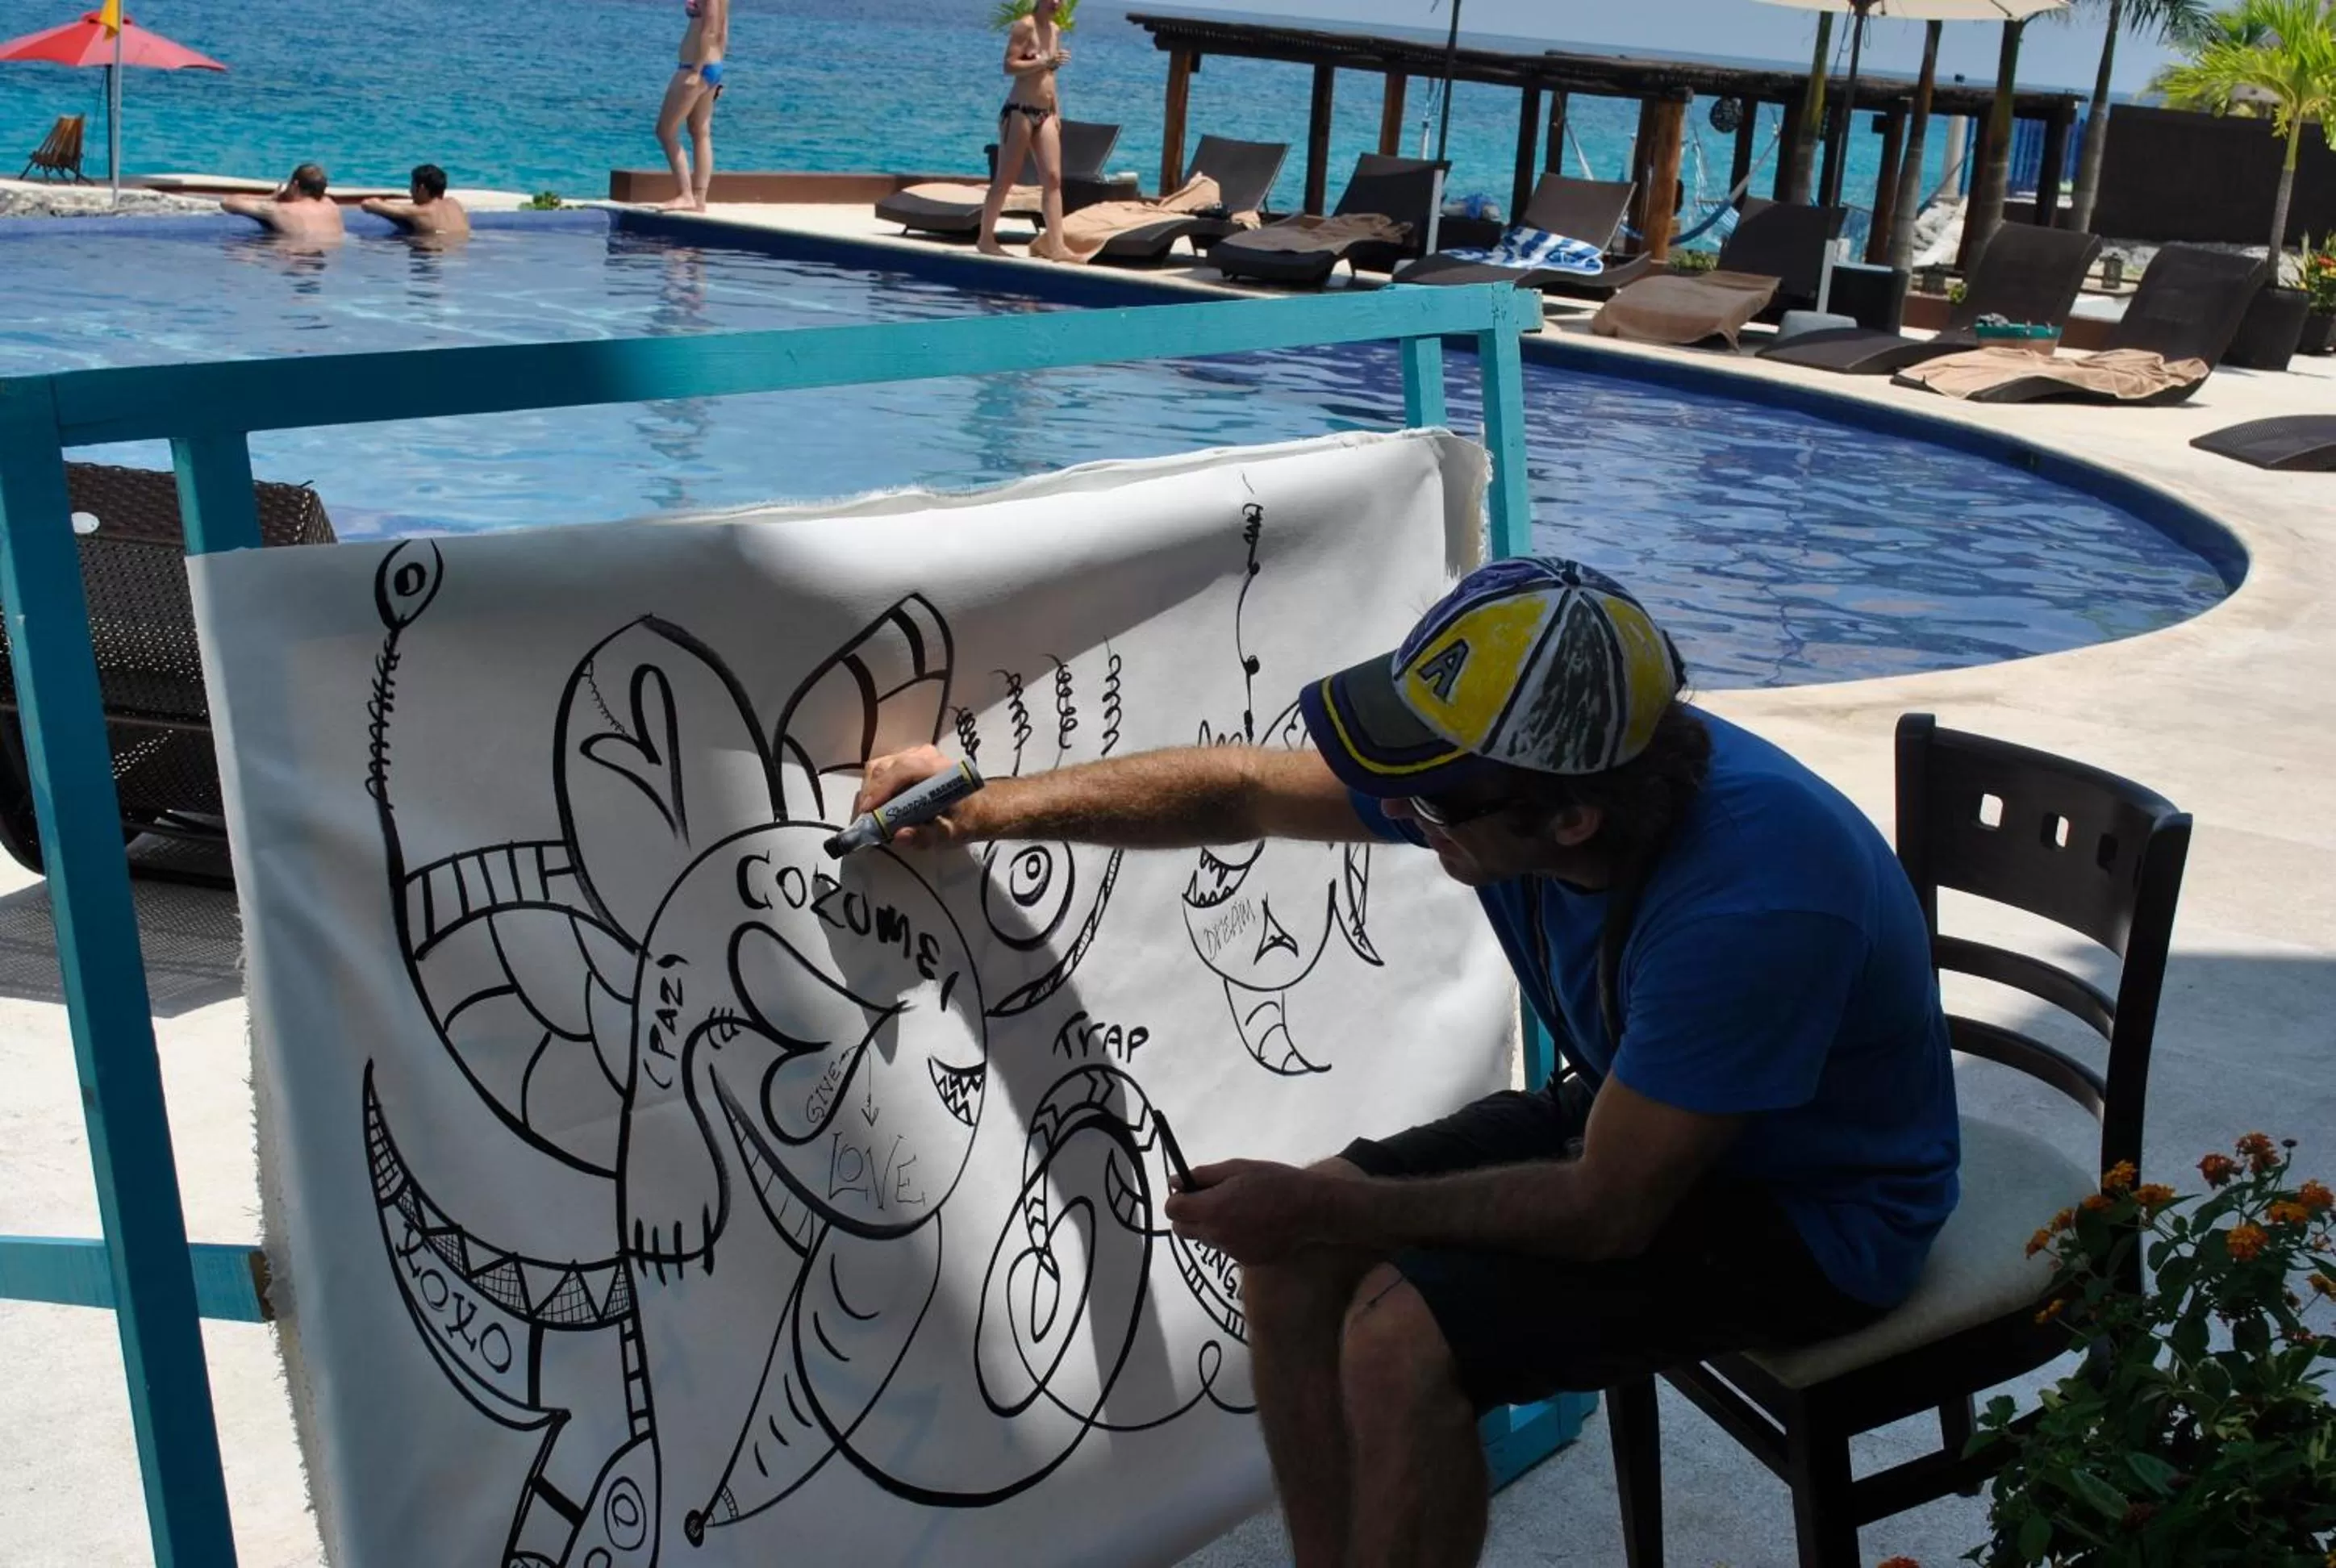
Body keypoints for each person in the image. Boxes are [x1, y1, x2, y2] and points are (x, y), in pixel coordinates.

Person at [853, 557, 1961, 1566]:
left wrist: (1325, 1213)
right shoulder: (1541, 783)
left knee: (1398, 1341)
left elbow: (1608, 1213)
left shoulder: (1756, 904)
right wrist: (986, 806)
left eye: (1425, 798)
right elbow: (1241, 789)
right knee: (1291, 1259)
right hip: (1639, 1117)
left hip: (1815, 1214)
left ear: (1569, 821)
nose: (1396, 813)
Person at [977, 0, 1070, 260]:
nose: (1056, 3)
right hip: (1019, 110)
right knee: (1006, 177)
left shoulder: (1055, 30)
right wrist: (1044, 62)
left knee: (1053, 178)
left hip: (1046, 113)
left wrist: (1057, 110)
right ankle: (986, 239)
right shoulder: (1024, 27)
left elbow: (1051, 74)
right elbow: (1009, 66)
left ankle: (1057, 246)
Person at [655, 0, 728, 212]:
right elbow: (723, 33)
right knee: (700, 132)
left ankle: (685, 194)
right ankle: (699, 198)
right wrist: (716, 73)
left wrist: (696, 71)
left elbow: (709, 30)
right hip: (712, 66)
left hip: (695, 68)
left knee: (665, 131)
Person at [220, 163, 344, 242]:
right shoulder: (331, 206)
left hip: (294, 255)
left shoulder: (280, 210)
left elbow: (228, 202)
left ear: (295, 185)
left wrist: (269, 198)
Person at [361, 164, 470, 238]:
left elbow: (368, 204)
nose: (410, 191)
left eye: (412, 186)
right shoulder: (454, 203)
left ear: (422, 188)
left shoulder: (422, 212)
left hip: (432, 250)